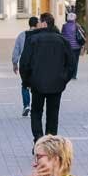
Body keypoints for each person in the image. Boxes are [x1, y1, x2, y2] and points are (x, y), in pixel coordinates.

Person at [21, 11, 71, 140]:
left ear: (43, 23)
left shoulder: (32, 39)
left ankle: (38, 139)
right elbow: (71, 64)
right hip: (56, 84)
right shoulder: (62, 41)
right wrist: (63, 79)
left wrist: (27, 82)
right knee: (53, 114)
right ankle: (50, 140)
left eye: (39, 22)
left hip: (37, 84)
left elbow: (24, 63)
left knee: (36, 112)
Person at [13, 16, 39, 117]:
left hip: (24, 64)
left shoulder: (22, 35)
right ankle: (35, 106)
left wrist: (14, 63)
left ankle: (26, 105)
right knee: (36, 85)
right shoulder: (40, 35)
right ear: (37, 24)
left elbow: (16, 50)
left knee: (25, 85)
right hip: (36, 63)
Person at [62, 11, 87, 83]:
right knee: (75, 61)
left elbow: (62, 35)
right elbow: (82, 33)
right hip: (76, 47)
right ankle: (74, 75)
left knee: (68, 61)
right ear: (74, 18)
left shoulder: (64, 26)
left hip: (67, 46)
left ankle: (68, 74)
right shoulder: (77, 25)